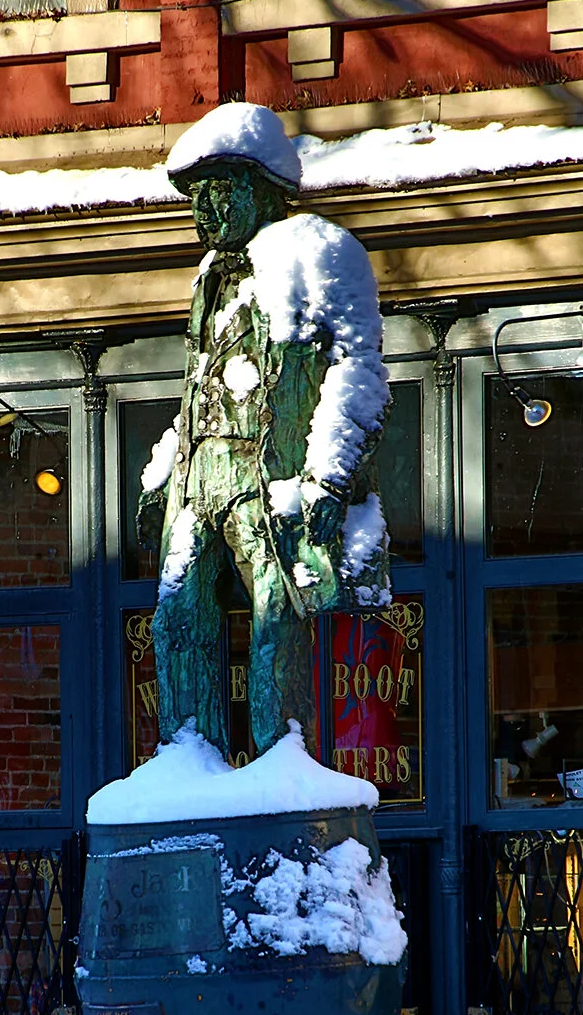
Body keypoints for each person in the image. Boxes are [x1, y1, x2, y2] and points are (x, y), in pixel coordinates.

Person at [137, 102, 392, 759]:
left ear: (267, 191)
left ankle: (283, 767)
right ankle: (186, 765)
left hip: (268, 477)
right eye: (199, 196)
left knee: (277, 626)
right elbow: (201, 386)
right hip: (201, 481)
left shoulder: (322, 255)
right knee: (176, 620)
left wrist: (328, 479)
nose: (207, 209)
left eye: (222, 190)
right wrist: (166, 470)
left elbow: (357, 370)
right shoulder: (207, 281)